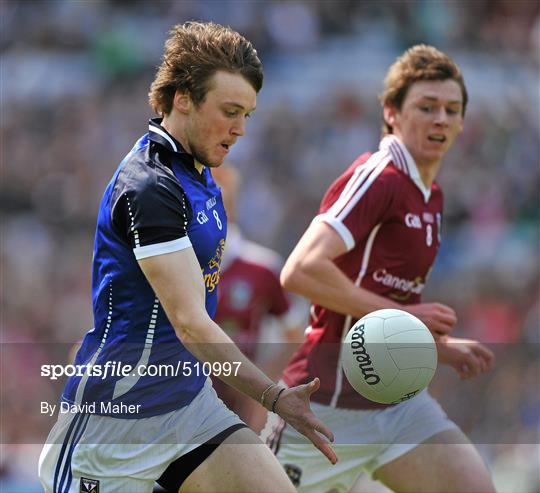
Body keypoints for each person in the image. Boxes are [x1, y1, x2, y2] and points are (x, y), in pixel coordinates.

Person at [38, 21, 336, 493]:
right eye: (230, 111)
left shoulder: (200, 172)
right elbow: (190, 323)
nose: (239, 129)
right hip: (117, 424)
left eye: (247, 115)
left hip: (189, 407)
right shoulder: (150, 186)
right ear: (182, 98)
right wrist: (275, 397)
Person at [262, 45, 496, 493]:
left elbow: (384, 305)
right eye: (426, 107)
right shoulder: (379, 176)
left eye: (452, 109)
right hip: (325, 404)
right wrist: (411, 319)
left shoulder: (431, 194)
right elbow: (301, 270)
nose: (441, 119)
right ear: (391, 113)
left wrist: (437, 347)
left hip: (398, 402)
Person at [211, 165, 306, 431]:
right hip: (180, 403)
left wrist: (263, 388)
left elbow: (296, 337)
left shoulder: (262, 268)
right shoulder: (174, 265)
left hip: (237, 412)